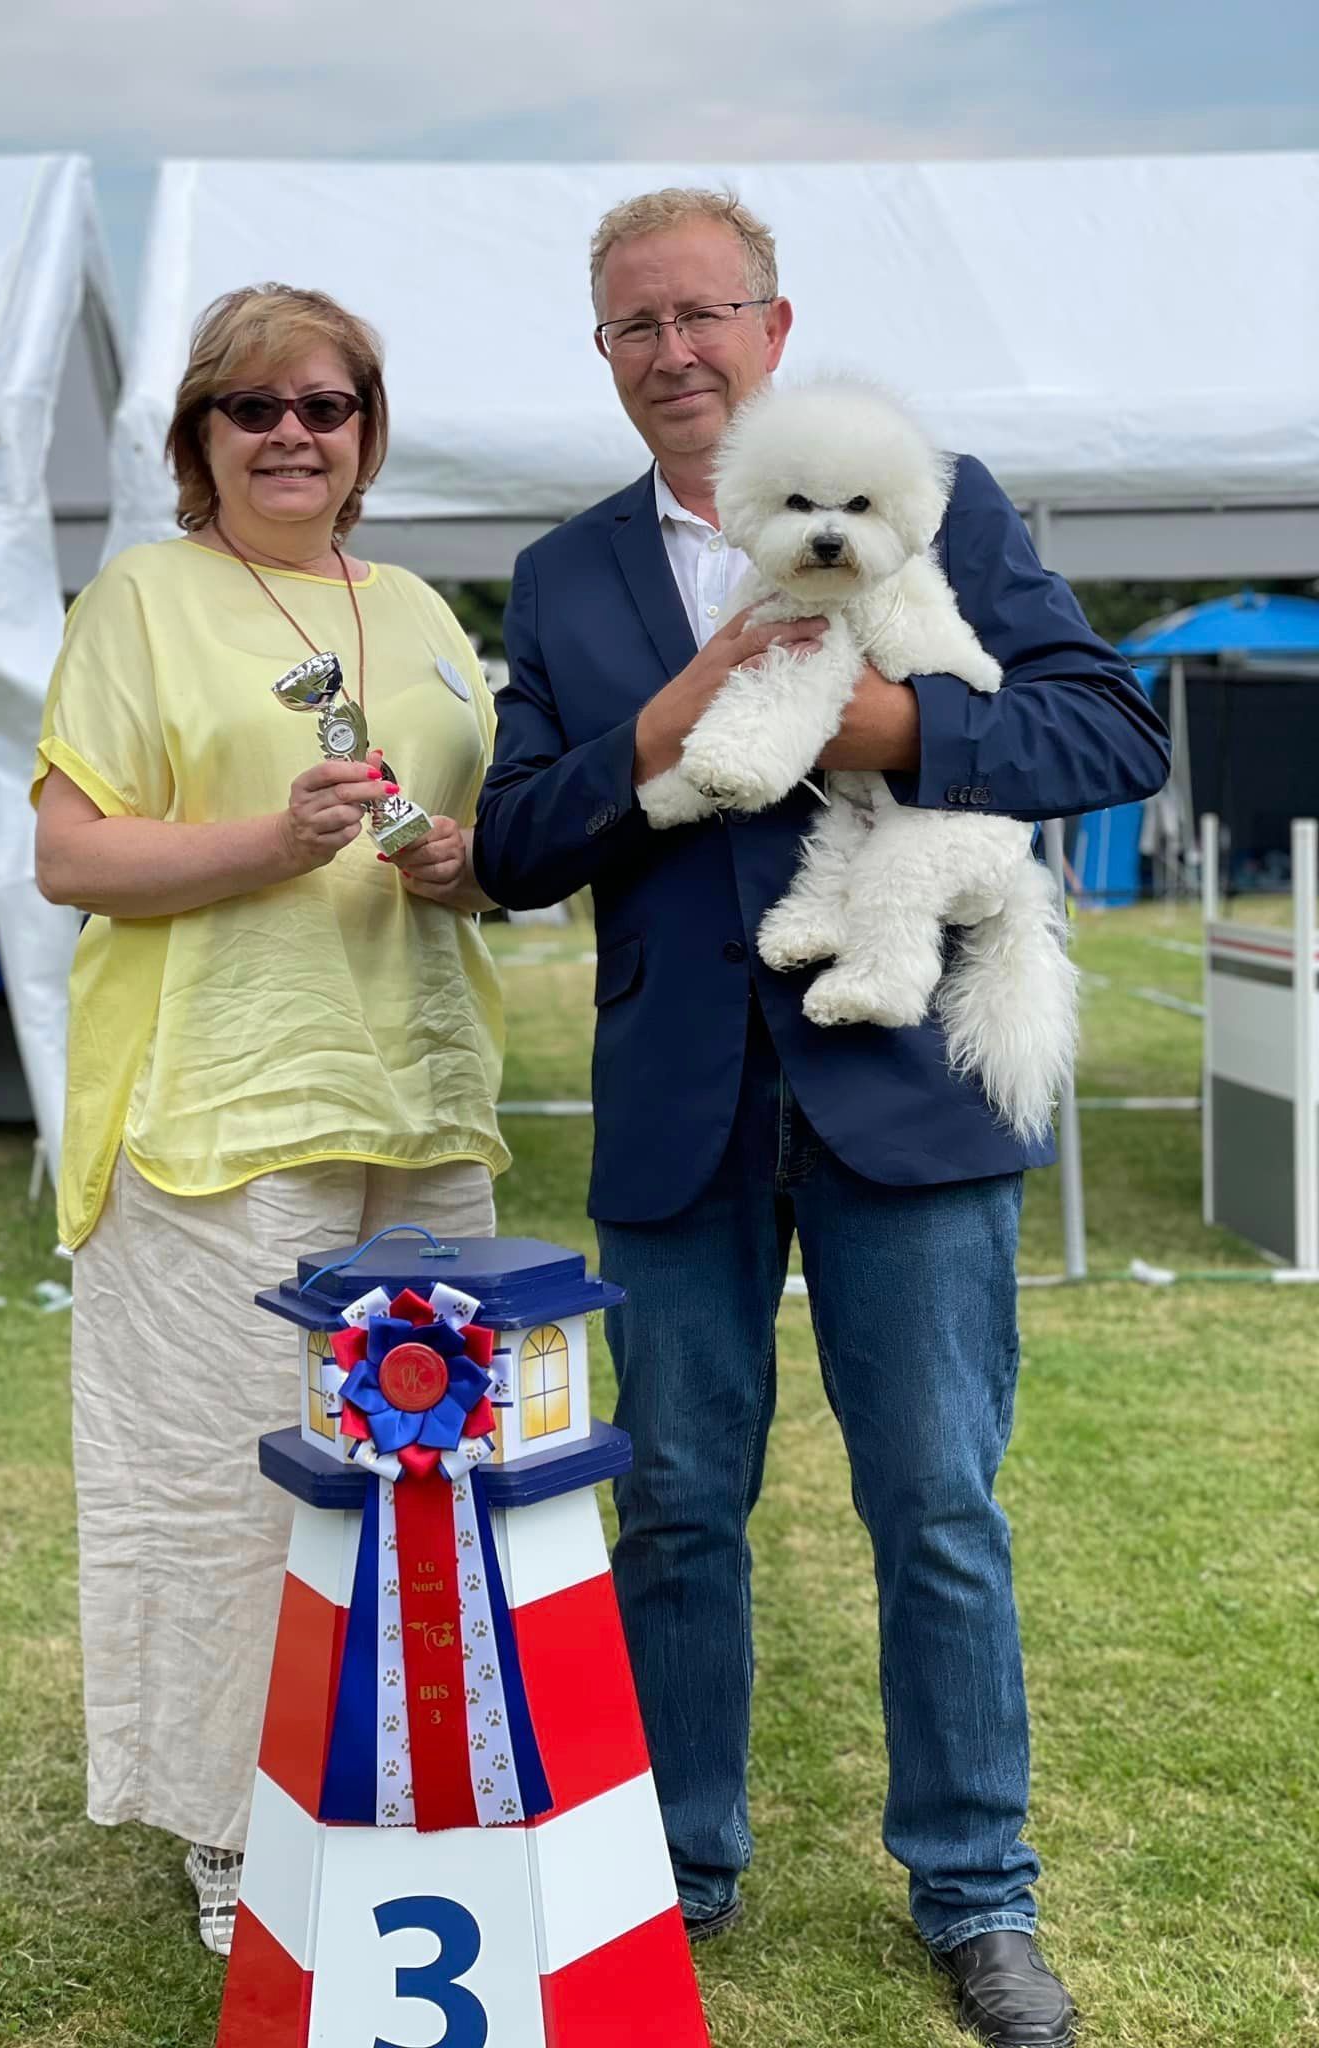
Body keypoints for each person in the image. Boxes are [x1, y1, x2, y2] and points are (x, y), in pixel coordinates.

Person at [474, 188, 1170, 2048]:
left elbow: (1110, 734)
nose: (676, 350)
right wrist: (657, 729)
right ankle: (672, 1872)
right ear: (606, 356)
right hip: (679, 1106)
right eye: (637, 325)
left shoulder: (944, 492)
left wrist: (891, 733)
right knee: (679, 1508)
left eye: (706, 312)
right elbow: (518, 845)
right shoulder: (563, 579)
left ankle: (977, 1896)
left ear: (777, 328)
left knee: (938, 1507)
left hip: (906, 1085)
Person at [32, 284, 506, 1955]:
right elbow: (70, 855)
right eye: (254, 409)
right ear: (200, 439)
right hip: (216, 1110)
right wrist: (262, 843)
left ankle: (418, 1795)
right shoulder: (144, 597)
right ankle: (237, 1835)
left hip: (422, 1099)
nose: (292, 434)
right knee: (229, 1486)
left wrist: (461, 861)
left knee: (442, 1477)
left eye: (325, 405)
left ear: (368, 431)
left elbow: (469, 829)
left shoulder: (430, 611)